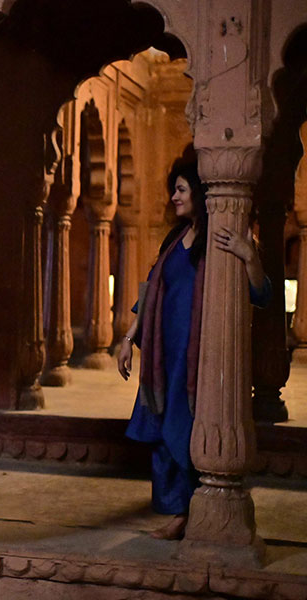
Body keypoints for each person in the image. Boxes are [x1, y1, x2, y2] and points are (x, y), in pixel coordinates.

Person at [116, 162, 270, 540]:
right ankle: (177, 511)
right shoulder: (174, 239)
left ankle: (191, 513)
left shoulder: (222, 238)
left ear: (199, 194)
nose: (174, 197)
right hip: (163, 354)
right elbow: (151, 291)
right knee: (161, 431)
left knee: (185, 430)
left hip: (199, 357)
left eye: (181, 189)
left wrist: (248, 254)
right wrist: (128, 338)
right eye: (174, 190)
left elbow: (261, 293)